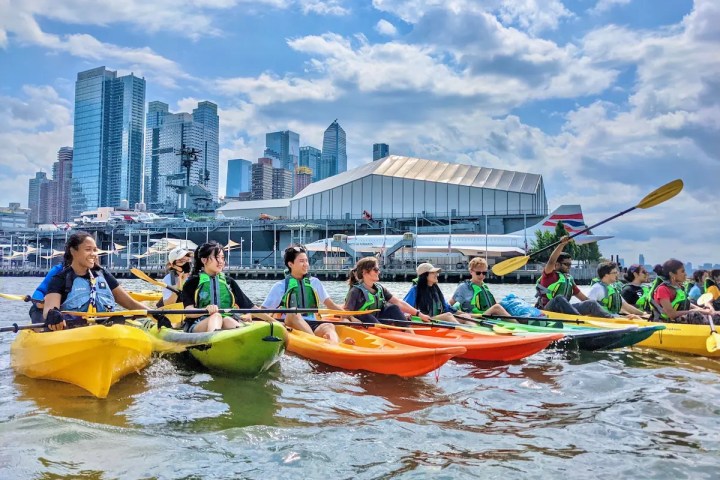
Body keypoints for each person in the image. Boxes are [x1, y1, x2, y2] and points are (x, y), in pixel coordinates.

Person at [42, 232, 152, 331]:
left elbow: (131, 303)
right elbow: (49, 308)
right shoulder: (60, 279)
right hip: (76, 333)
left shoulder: (103, 275)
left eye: (95, 250)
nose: (93, 254)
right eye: (88, 249)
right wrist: (53, 314)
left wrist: (156, 315)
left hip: (106, 330)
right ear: (73, 251)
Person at [262, 245, 351, 345]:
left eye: (306, 261)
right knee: (293, 312)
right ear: (290, 264)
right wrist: (275, 323)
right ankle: (316, 343)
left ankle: (336, 344)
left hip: (312, 323)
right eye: (301, 261)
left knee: (328, 325)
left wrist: (350, 317)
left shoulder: (315, 282)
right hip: (291, 324)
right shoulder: (280, 286)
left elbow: (331, 305)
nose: (306, 264)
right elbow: (264, 311)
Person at [181, 241, 255, 333]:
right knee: (216, 316)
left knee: (228, 320)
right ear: (204, 260)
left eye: (222, 258)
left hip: (225, 319)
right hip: (198, 324)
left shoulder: (229, 282)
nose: (221, 261)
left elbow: (250, 307)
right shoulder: (192, 282)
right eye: (216, 257)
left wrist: (272, 321)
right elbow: (188, 311)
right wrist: (205, 310)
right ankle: (211, 343)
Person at [534, 236, 614, 318]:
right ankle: (578, 319)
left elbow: (584, 299)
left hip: (564, 312)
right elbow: (551, 261)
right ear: (557, 264)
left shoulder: (569, 280)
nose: (569, 267)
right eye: (566, 264)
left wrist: (599, 307)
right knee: (559, 298)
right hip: (547, 310)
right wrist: (561, 245)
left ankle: (612, 319)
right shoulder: (549, 275)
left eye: (570, 264)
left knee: (591, 303)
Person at [345, 257, 433, 324]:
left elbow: (398, 302)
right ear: (364, 272)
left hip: (378, 320)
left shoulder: (380, 289)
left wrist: (420, 314)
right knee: (367, 316)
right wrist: (352, 319)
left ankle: (408, 333)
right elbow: (346, 312)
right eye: (375, 270)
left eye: (378, 270)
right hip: (365, 323)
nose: (378, 272)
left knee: (393, 308)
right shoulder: (355, 291)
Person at [651, 258, 717, 324]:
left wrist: (703, 310)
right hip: (668, 323)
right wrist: (697, 310)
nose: (685, 274)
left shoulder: (678, 288)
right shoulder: (662, 289)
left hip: (680, 320)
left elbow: (686, 303)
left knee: (715, 315)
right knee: (694, 315)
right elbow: (671, 314)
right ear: (672, 274)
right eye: (682, 271)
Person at [403, 263, 473, 324]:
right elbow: (404, 306)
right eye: (433, 272)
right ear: (425, 275)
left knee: (465, 316)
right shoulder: (415, 290)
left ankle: (475, 333)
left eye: (436, 272)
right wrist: (406, 314)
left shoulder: (436, 290)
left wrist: (464, 313)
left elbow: (447, 308)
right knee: (447, 315)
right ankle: (463, 332)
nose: (437, 274)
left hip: (436, 319)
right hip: (423, 320)